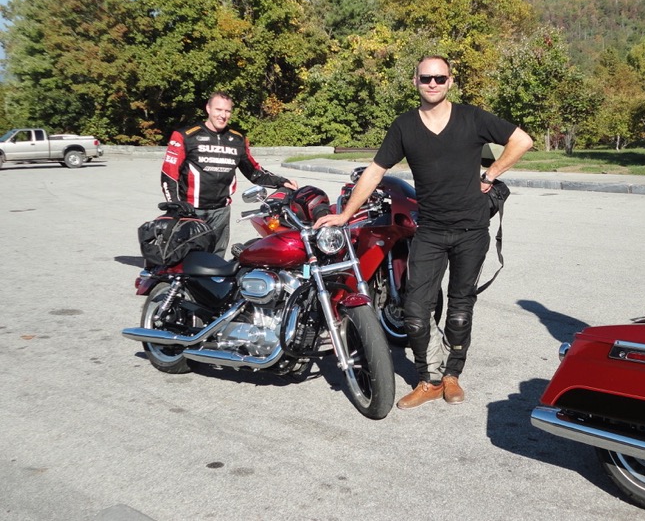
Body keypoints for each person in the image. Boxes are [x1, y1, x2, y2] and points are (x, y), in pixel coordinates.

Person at [315, 55, 533, 410]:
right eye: (426, 78)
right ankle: (428, 378)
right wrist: (344, 215)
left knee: (460, 308)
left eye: (439, 78)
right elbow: (374, 171)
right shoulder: (405, 126)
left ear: (450, 81)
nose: (433, 83)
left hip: (471, 229)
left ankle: (451, 377)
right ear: (415, 81)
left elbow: (521, 140)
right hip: (429, 229)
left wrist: (490, 174)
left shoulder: (472, 118)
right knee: (416, 311)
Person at [161, 91, 298, 258]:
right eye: (218, 110)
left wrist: (282, 182)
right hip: (190, 211)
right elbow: (169, 174)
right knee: (186, 260)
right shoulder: (185, 136)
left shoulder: (238, 139)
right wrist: (175, 205)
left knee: (215, 261)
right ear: (208, 109)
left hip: (220, 212)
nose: (222, 115)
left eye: (227, 111)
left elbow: (254, 172)